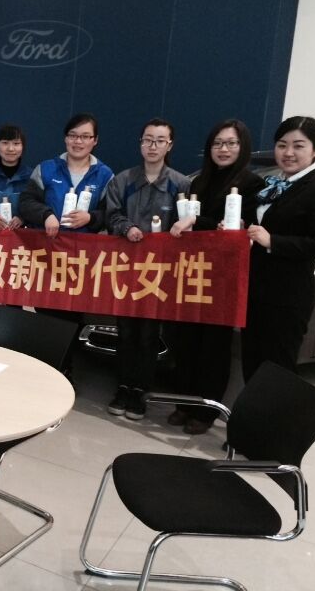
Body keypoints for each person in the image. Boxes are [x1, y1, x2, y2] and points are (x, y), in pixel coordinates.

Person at [167, 119, 264, 434]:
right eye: (218, 143)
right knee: (186, 341)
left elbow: (241, 227)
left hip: (223, 278)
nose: (223, 149)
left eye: (231, 143)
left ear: (242, 147)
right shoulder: (198, 182)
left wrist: (200, 223)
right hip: (193, 271)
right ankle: (184, 402)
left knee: (214, 346)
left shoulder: (252, 185)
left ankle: (205, 411)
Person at [242, 116, 315, 381]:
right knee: (251, 363)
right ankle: (254, 409)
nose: (288, 153)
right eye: (282, 145)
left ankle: (273, 411)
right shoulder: (273, 186)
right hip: (256, 292)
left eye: (298, 146)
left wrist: (273, 241)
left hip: (287, 297)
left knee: (277, 368)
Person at [104, 118, 190, 420]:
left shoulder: (181, 184)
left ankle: (141, 391)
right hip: (126, 270)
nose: (152, 146)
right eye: (147, 139)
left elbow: (188, 224)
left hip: (161, 274)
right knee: (126, 331)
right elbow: (111, 214)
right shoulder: (122, 180)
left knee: (149, 335)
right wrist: (126, 227)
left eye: (159, 140)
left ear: (170, 145)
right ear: (140, 143)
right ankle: (123, 387)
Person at [19, 113, 114, 374]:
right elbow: (26, 202)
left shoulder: (105, 175)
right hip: (46, 257)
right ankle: (43, 369)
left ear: (95, 141)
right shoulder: (46, 168)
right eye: (73, 135)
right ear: (65, 138)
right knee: (46, 313)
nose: (78, 142)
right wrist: (45, 214)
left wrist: (91, 218)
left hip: (81, 260)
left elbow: (112, 213)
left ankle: (65, 370)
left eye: (85, 136)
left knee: (72, 315)